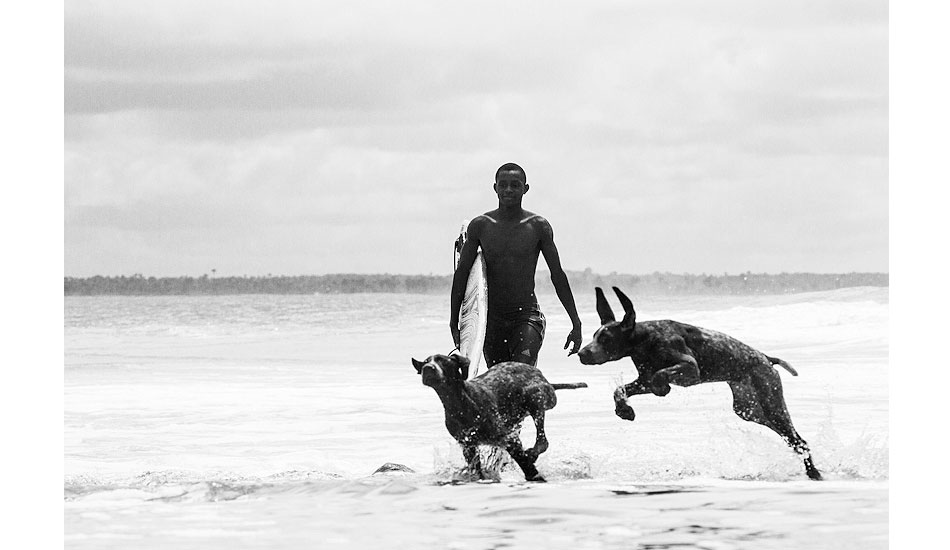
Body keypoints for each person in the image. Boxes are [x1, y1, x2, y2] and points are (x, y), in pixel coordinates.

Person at [451, 162, 582, 369]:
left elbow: (557, 275)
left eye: (515, 185)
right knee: (500, 380)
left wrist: (576, 322)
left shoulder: (538, 226)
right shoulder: (481, 226)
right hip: (490, 320)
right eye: (503, 185)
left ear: (525, 188)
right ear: (495, 188)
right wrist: (455, 321)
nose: (508, 190)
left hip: (526, 316)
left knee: (521, 373)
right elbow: (462, 274)